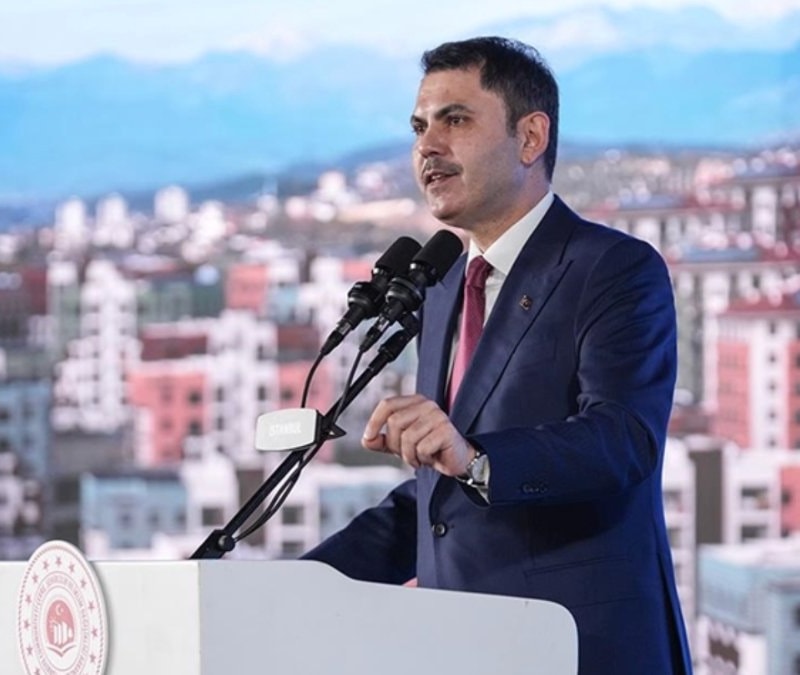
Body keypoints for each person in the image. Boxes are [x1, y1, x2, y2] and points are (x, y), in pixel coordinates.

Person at [302, 36, 693, 674]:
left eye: (455, 120)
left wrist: (476, 458)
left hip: (581, 650)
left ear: (530, 137)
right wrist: (294, 583)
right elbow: (441, 498)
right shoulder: (444, 288)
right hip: (466, 651)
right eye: (419, 127)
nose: (428, 146)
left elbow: (623, 441)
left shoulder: (613, 268)